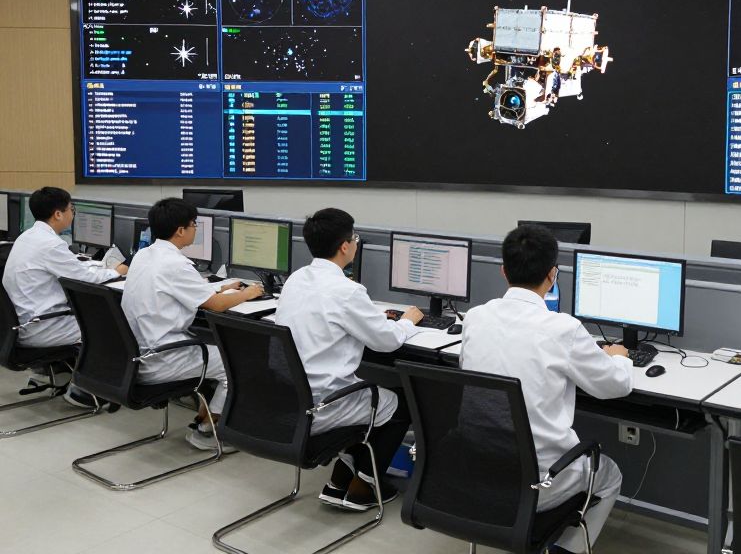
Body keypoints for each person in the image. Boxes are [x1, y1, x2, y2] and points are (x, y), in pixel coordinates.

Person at [459, 224, 632, 554]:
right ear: (553, 275)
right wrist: (620, 358)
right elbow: (616, 387)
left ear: (503, 272)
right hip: (540, 481)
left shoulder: (476, 318)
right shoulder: (562, 329)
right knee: (609, 474)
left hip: (478, 470)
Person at [274, 208, 424, 512]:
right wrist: (407, 321)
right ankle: (364, 487)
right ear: (345, 246)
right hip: (322, 404)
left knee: (370, 396)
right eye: (354, 238)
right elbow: (387, 341)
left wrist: (370, 318)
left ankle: (339, 480)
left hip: (290, 399)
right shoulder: (347, 291)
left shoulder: (296, 279)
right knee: (403, 403)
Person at [121, 197, 263, 450]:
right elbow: (216, 305)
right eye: (194, 224)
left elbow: (184, 289)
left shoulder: (144, 256)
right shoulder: (176, 264)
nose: (195, 229)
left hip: (138, 353)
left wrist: (222, 286)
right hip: (162, 358)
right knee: (239, 362)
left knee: (219, 352)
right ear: (180, 231)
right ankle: (208, 432)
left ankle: (204, 417)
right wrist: (248, 293)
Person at [2, 187, 128, 406]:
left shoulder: (28, 237)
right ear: (58, 214)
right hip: (37, 327)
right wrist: (117, 271)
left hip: (15, 325)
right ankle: (85, 391)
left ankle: (53, 372)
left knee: (86, 313)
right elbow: (84, 278)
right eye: (72, 208)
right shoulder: (50, 244)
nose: (73, 213)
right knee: (107, 326)